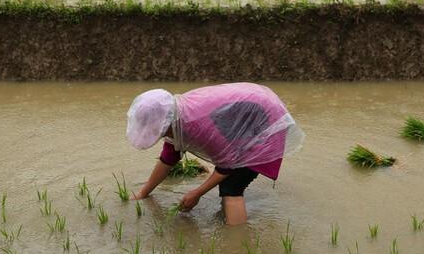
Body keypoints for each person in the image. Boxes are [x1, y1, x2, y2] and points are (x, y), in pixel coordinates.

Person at [127, 83, 304, 225]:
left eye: (158, 131)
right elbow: (168, 158)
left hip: (266, 122)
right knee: (228, 186)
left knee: (231, 188)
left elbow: (226, 166)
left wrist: (196, 194)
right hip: (249, 111)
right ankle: (228, 219)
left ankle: (237, 244)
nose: (159, 135)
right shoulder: (178, 119)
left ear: (165, 122)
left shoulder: (197, 125)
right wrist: (143, 193)